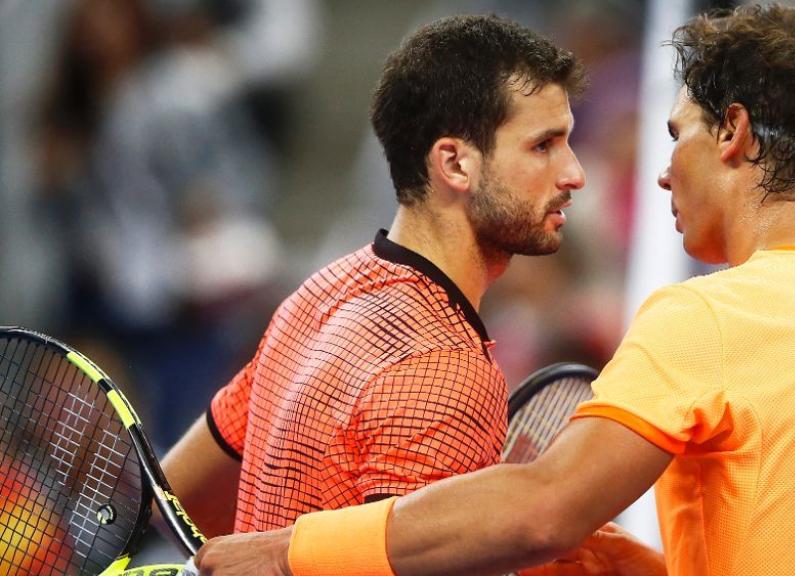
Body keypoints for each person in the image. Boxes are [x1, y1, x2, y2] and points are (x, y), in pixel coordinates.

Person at [190, 5, 795, 575]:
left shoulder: (705, 318)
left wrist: (289, 550)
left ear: (735, 135)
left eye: (677, 136)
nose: (660, 169)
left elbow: (541, 508)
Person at [158, 14, 586, 537]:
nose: (574, 173)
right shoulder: (447, 371)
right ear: (454, 164)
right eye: (543, 146)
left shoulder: (318, 294)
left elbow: (176, 495)